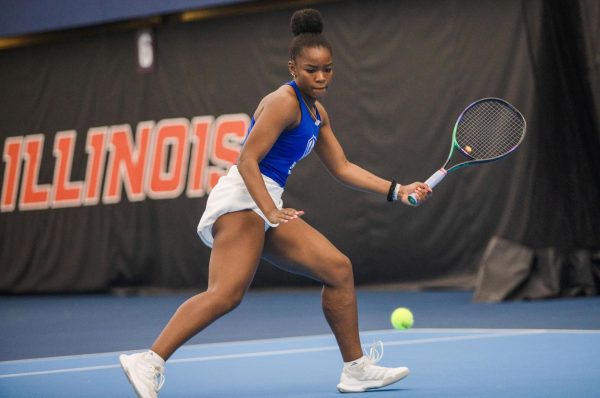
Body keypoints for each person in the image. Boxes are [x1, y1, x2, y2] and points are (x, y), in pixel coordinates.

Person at [119, 8, 431, 397]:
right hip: (243, 199)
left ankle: (356, 369)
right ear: (292, 68)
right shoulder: (283, 102)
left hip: (267, 204)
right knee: (226, 294)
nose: (320, 77)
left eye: (327, 69)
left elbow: (342, 166)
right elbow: (246, 159)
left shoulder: (318, 113)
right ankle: (148, 361)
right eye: (311, 70)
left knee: (337, 269)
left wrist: (397, 189)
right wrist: (268, 210)